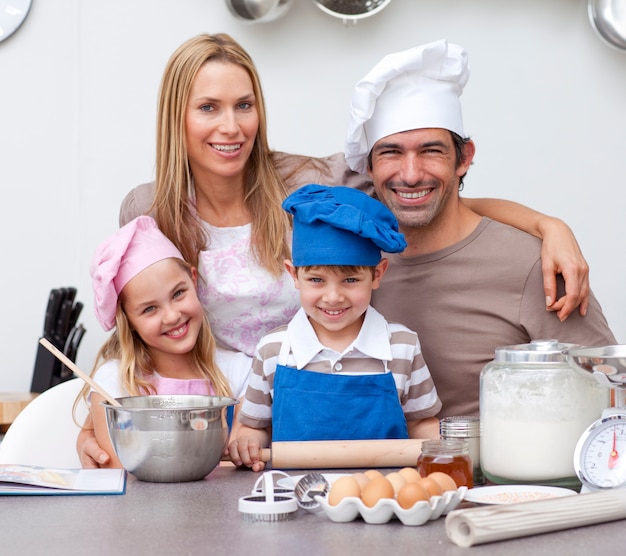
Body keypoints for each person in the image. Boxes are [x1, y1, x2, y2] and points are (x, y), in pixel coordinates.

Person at [78, 33, 592, 467]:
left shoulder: (312, 185)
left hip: (334, 408)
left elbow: (425, 196)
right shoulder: (151, 210)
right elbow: (139, 331)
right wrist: (95, 421)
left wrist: (549, 225)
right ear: (176, 117)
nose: (231, 127)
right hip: (219, 435)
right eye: (208, 107)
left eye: (244, 105)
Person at [343, 39, 617, 418]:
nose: (410, 174)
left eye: (431, 151)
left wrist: (551, 226)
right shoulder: (347, 260)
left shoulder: (533, 265)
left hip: (504, 476)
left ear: (464, 158)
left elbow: (609, 393)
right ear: (368, 167)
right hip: (379, 471)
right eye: (390, 152)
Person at [229, 184, 441, 471]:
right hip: (295, 496)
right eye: (317, 280)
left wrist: (441, 451)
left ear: (377, 274)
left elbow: (422, 423)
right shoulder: (274, 349)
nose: (333, 297)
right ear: (293, 274)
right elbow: (255, 427)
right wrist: (246, 441)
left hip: (383, 495)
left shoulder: (401, 345)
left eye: (350, 280)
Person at [76, 215, 245, 467]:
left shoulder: (238, 372)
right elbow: (117, 469)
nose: (172, 316)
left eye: (178, 293)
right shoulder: (113, 384)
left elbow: (236, 465)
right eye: (149, 309)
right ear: (128, 321)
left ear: (194, 280)